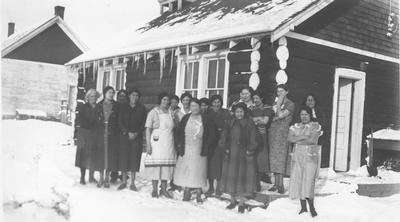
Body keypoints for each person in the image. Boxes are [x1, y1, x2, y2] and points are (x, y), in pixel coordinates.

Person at [174, 99, 216, 203]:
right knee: (187, 169)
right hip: (186, 147)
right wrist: (179, 145)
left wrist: (207, 145)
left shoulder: (206, 119)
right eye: (192, 106)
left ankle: (198, 192)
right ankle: (187, 191)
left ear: (200, 107)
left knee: (198, 170)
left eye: (196, 106)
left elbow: (212, 134)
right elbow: (179, 132)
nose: (194, 108)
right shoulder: (185, 118)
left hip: (200, 147)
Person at [220, 102, 258, 213]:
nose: (239, 114)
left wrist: (250, 150)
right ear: (234, 112)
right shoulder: (230, 122)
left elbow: (254, 139)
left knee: (242, 178)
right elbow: (224, 137)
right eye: (237, 112)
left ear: (244, 112)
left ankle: (241, 202)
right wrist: (225, 147)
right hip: (232, 153)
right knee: (232, 176)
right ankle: (232, 200)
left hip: (244, 154)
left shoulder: (249, 123)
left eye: (241, 112)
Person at [288, 106, 323, 217]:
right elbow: (289, 138)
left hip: (310, 156)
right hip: (298, 155)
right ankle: (303, 208)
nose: (304, 117)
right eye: (302, 114)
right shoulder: (295, 126)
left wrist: (298, 138)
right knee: (299, 179)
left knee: (308, 181)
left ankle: (312, 207)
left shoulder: (315, 126)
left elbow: (312, 140)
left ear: (310, 115)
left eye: (306, 114)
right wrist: (304, 138)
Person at [144, 92, 176, 198]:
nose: (166, 102)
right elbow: (148, 129)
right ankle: (154, 189)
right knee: (156, 166)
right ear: (160, 100)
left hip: (168, 143)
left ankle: (163, 189)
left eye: (167, 100)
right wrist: (148, 145)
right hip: (157, 143)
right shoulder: (153, 112)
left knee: (166, 168)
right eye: (164, 100)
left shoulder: (171, 112)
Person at [117, 88, 147, 191]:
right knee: (124, 157)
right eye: (133, 95)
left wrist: (136, 133)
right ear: (129, 96)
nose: (135, 97)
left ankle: (133, 183)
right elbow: (120, 121)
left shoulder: (142, 108)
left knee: (134, 158)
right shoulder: (123, 107)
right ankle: (124, 181)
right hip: (124, 136)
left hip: (136, 137)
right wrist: (126, 132)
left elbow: (144, 123)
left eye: (137, 96)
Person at [268, 84, 295, 194]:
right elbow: (272, 116)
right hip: (274, 132)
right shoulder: (275, 103)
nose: (279, 93)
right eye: (278, 91)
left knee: (281, 157)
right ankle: (276, 184)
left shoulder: (290, 104)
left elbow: (280, 115)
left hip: (282, 132)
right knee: (274, 157)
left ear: (287, 92)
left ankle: (281, 185)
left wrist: (279, 104)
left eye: (282, 91)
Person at [205, 95, 231, 197]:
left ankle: (219, 187)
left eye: (218, 102)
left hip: (222, 141)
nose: (216, 104)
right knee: (210, 165)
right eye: (214, 102)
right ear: (211, 104)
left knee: (220, 165)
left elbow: (228, 126)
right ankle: (211, 187)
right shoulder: (208, 113)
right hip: (211, 142)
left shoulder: (226, 113)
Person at [93, 86, 119, 188]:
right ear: (105, 93)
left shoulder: (116, 106)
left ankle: (107, 178)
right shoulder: (99, 105)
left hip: (112, 134)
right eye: (109, 92)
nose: (111, 94)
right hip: (101, 133)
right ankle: (101, 178)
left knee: (110, 155)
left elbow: (118, 120)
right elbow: (95, 121)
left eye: (113, 93)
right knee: (101, 155)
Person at [250, 92, 274, 190]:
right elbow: (250, 121)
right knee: (254, 158)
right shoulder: (252, 109)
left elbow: (265, 121)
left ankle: (260, 181)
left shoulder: (267, 108)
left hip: (263, 135)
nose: (255, 100)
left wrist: (255, 120)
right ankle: (255, 183)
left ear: (262, 98)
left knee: (261, 158)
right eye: (254, 98)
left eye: (257, 98)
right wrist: (258, 120)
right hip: (254, 134)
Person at [74, 89, 99, 185]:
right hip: (84, 133)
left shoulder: (98, 107)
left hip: (95, 134)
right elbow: (79, 121)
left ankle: (91, 177)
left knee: (93, 154)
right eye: (92, 96)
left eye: (95, 96)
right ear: (87, 98)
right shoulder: (83, 107)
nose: (94, 98)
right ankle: (82, 177)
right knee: (83, 155)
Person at [302, 93, 328, 167]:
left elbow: (323, 122)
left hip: (317, 136)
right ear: (305, 101)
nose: (310, 102)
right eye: (308, 100)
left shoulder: (319, 110)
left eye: (312, 100)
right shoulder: (302, 111)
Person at [110, 90, 129, 183]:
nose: (122, 98)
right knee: (114, 154)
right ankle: (114, 173)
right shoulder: (114, 106)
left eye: (123, 96)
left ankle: (124, 173)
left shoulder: (128, 107)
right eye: (120, 96)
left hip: (125, 133)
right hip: (115, 133)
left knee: (124, 154)